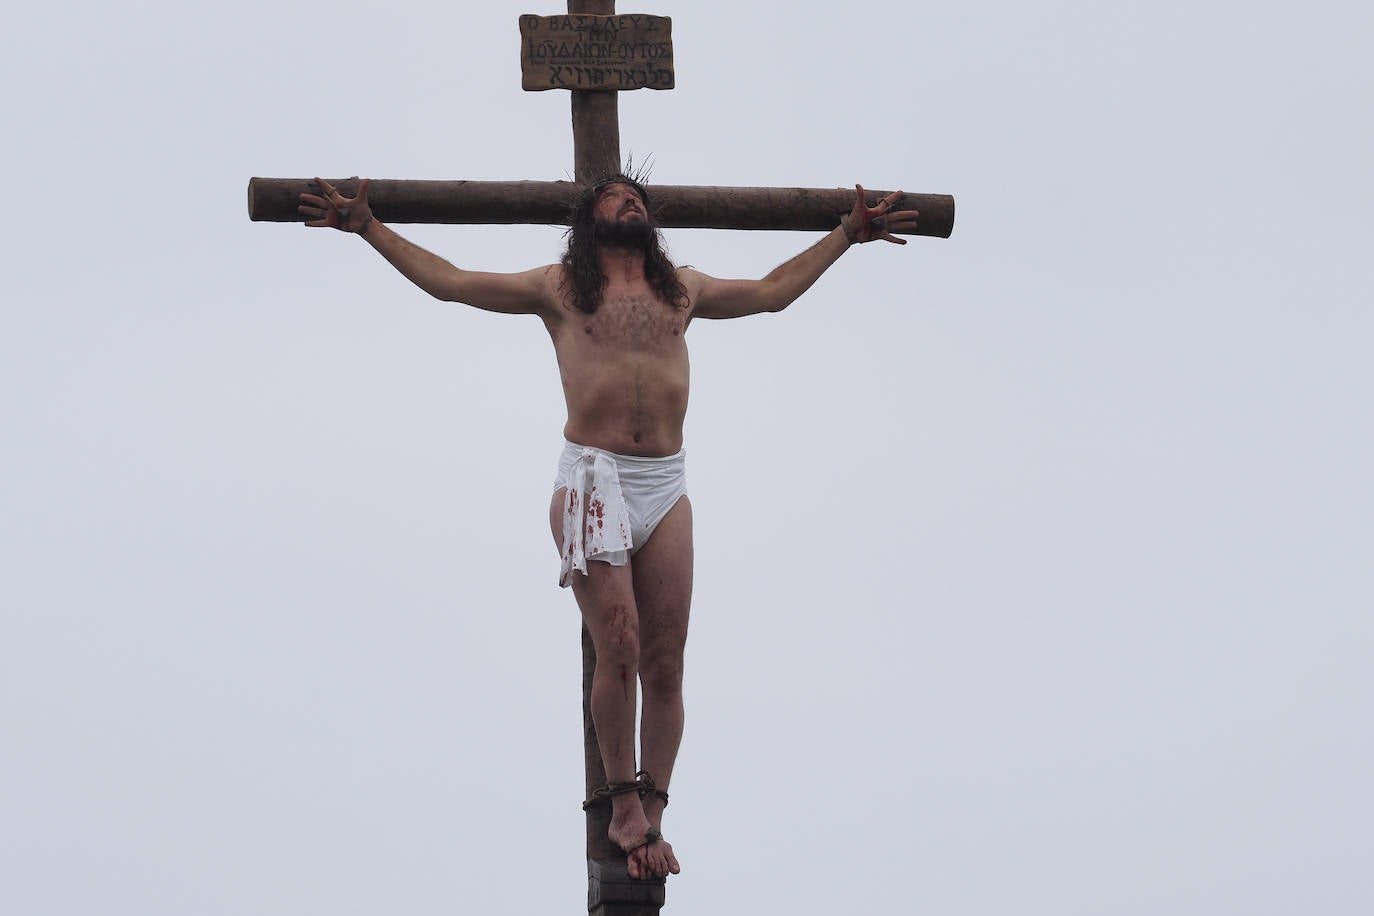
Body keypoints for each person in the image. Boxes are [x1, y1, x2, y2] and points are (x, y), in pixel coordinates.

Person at [298, 175, 918, 879]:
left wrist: (845, 235)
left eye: (638, 198)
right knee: (617, 643)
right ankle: (622, 803)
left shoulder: (683, 290)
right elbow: (450, 281)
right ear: (587, 218)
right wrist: (368, 227)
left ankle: (656, 805)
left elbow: (773, 291)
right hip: (592, 478)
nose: (631, 204)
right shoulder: (557, 289)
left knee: (667, 660)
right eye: (617, 196)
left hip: (664, 483)